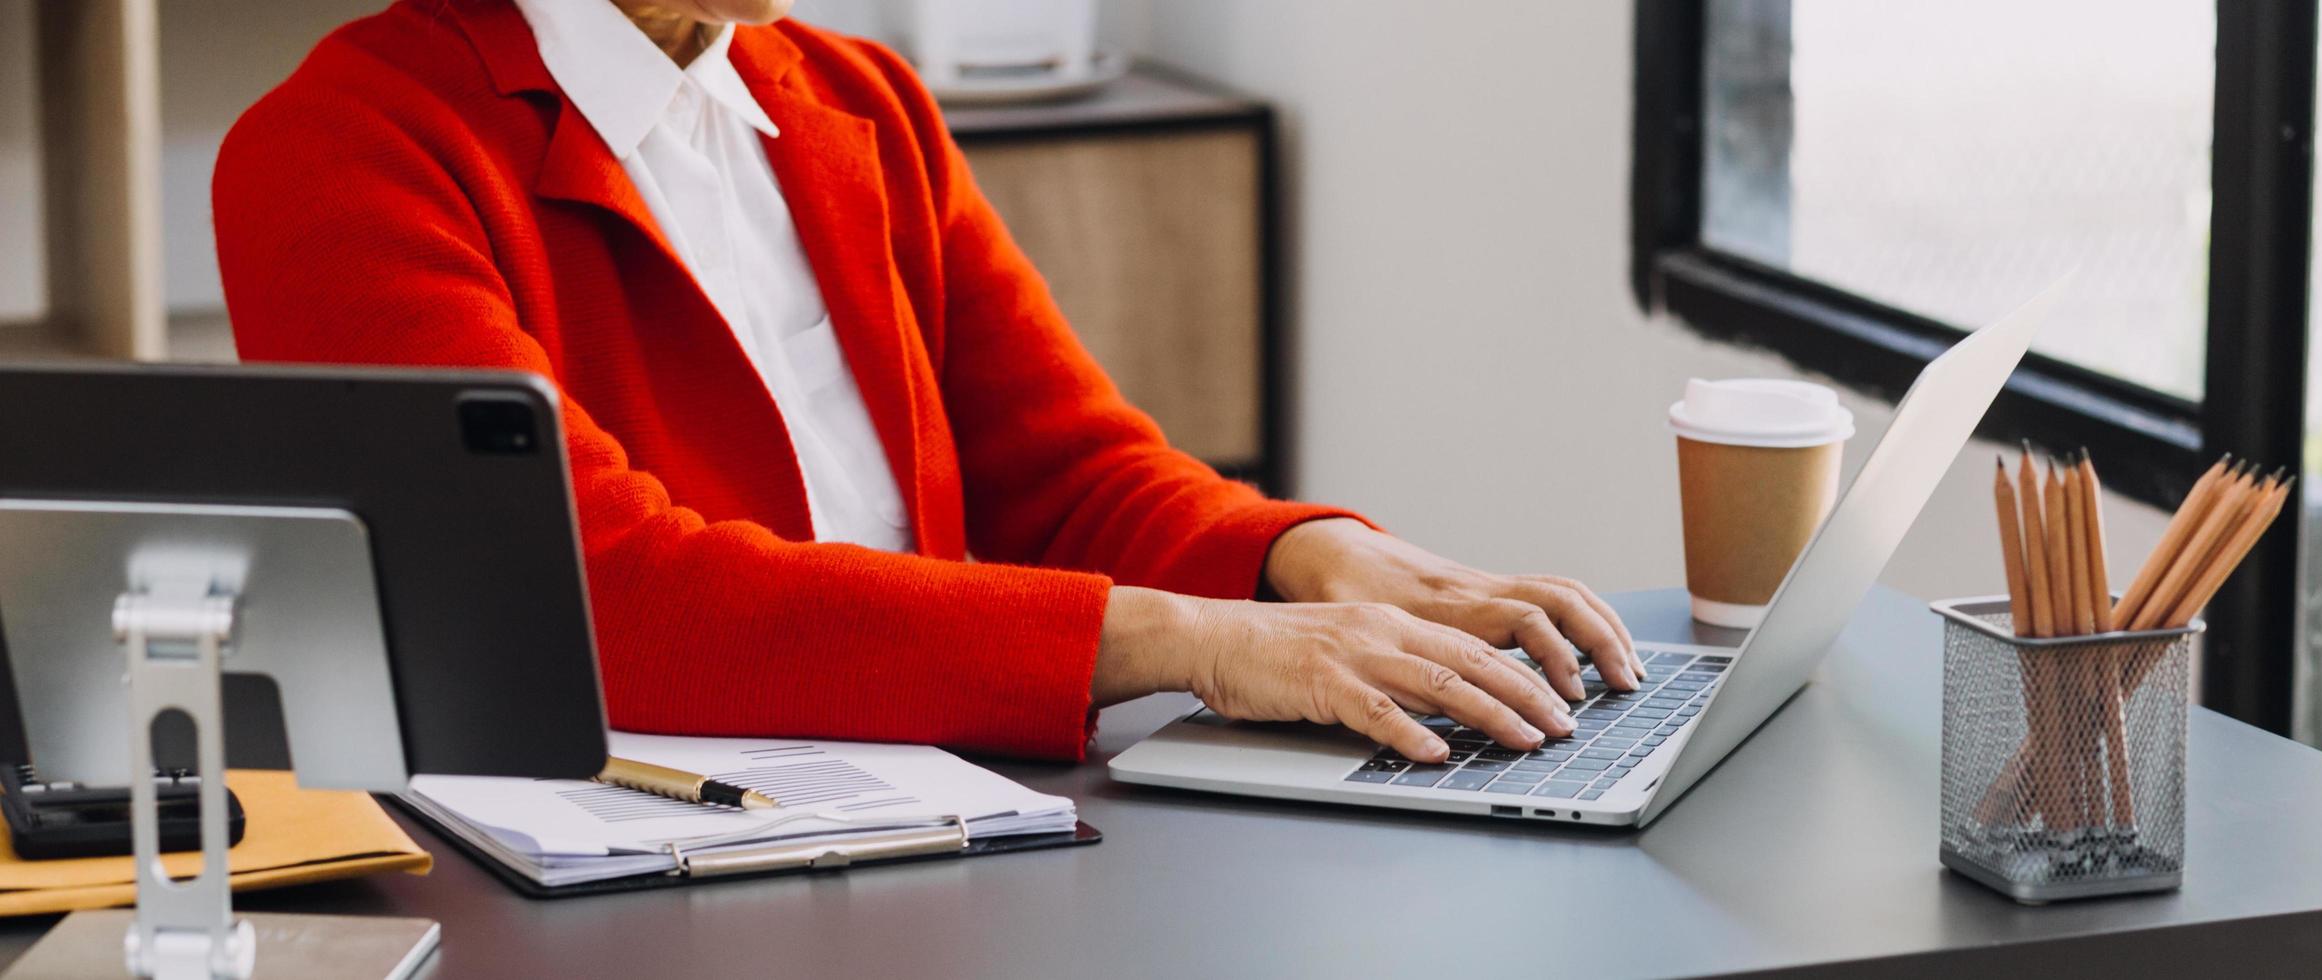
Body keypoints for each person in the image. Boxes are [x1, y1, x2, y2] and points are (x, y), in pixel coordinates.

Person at [212, 0, 1642, 766]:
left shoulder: (861, 102)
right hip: (636, 839)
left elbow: (1073, 474)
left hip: (945, 791)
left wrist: (1311, 557)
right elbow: (588, 592)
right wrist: (1192, 642)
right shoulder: (342, 148)